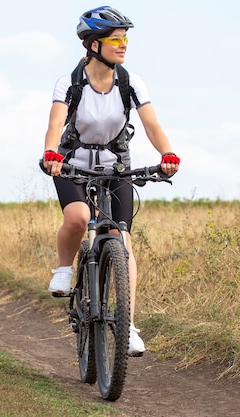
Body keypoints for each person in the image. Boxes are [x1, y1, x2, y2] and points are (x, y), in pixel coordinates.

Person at [42, 6, 180, 356]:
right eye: (115, 39)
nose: (123, 45)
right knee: (76, 218)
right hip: (72, 164)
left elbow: (151, 124)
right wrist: (51, 154)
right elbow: (55, 124)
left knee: (122, 242)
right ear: (92, 44)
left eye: (125, 39)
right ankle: (62, 270)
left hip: (116, 167)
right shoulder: (70, 82)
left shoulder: (131, 83)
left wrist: (167, 154)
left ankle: (127, 325)